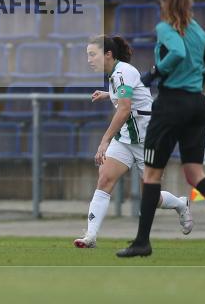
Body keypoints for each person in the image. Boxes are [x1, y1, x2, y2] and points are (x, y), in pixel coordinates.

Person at [117, 0, 205, 259]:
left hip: (171, 104)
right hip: (197, 104)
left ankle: (142, 241)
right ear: (189, 2)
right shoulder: (199, 32)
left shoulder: (165, 28)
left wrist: (155, 72)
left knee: (151, 174)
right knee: (195, 173)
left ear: (164, 2)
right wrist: (192, 76)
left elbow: (176, 52)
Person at [73, 35, 194, 249]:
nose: (89, 59)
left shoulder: (123, 71)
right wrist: (106, 94)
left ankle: (180, 204)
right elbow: (124, 96)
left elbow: (125, 108)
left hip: (148, 141)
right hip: (126, 139)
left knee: (151, 198)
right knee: (104, 180)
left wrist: (104, 141)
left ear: (108, 54)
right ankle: (90, 236)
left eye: (92, 55)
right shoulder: (115, 74)